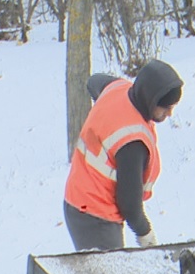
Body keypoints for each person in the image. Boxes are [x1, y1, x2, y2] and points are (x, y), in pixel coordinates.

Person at [63, 59, 183, 250]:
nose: (169, 114)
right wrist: (146, 234)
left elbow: (94, 81)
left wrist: (105, 111)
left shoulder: (117, 89)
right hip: (95, 217)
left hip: (77, 200)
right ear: (150, 99)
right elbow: (129, 205)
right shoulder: (132, 142)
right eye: (165, 107)